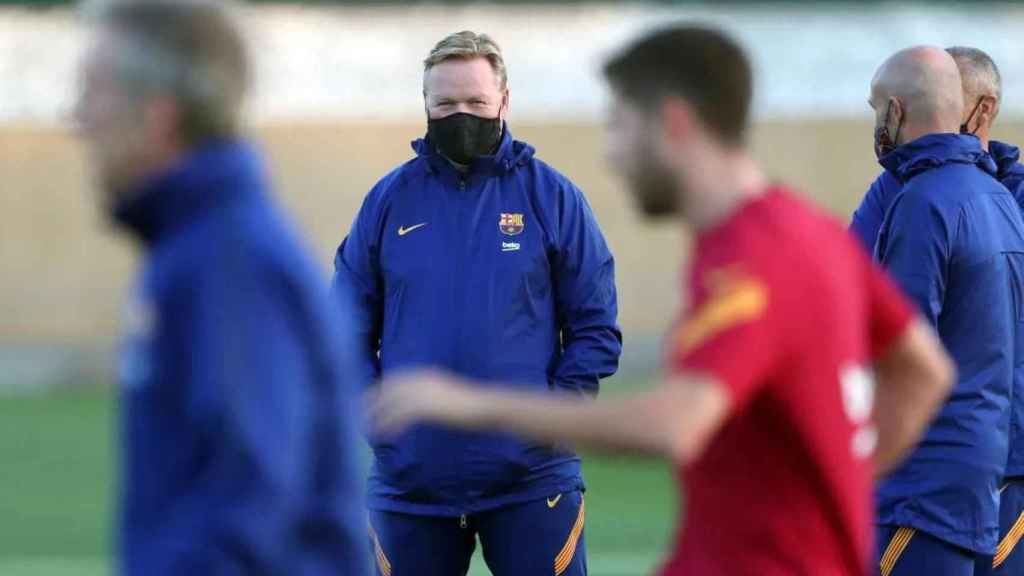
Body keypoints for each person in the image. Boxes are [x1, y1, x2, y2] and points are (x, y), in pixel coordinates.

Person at [371, 25, 954, 576]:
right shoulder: (802, 227)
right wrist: (836, 481)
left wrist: (469, 405)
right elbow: (925, 370)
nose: (611, 153)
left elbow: (675, 423)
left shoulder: (753, 258)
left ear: (673, 124)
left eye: (620, 126)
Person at [73, 1, 368, 573]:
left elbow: (248, 502)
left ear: (158, 116)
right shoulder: (197, 248)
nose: (77, 117)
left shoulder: (228, 261)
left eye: (94, 92)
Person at [332, 31, 621, 576]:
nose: (460, 115)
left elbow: (594, 326)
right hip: (410, 489)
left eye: (476, 103)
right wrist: (382, 423)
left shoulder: (553, 198)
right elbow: (343, 326)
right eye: (445, 104)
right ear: (425, 105)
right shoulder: (387, 201)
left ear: (504, 102)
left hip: (533, 484)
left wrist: (552, 422)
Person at [868, 47, 1024, 576]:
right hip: (978, 471)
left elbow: (900, 353)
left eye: (874, 109)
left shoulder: (922, 201)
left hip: (925, 481)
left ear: (896, 109)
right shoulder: (997, 197)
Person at [851, 46, 1024, 251]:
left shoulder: (1016, 189)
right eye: (933, 94)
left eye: (952, 96)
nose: (938, 105)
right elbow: (851, 262)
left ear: (985, 109)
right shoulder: (895, 181)